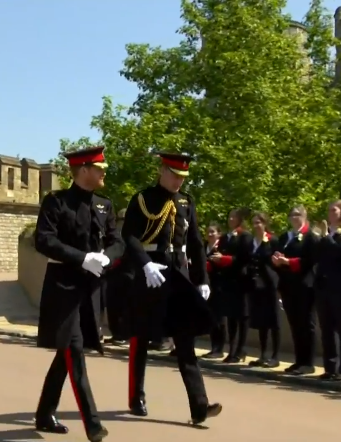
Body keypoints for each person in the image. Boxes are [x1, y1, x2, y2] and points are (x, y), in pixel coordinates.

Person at [121, 152, 222, 425]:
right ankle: (136, 396)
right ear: (162, 171)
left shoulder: (187, 201)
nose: (179, 181)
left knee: (185, 340)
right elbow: (129, 235)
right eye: (175, 174)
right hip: (152, 273)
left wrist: (201, 280)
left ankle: (199, 406)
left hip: (179, 276)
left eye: (183, 177)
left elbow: (196, 243)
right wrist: (144, 264)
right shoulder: (143, 199)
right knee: (141, 336)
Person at [33, 146, 123, 442]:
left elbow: (116, 241)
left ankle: (45, 413)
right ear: (83, 170)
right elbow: (44, 240)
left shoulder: (103, 204)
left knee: (68, 353)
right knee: (74, 353)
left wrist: (106, 258)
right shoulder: (57, 202)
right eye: (98, 168)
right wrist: (82, 258)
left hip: (91, 289)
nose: (103, 173)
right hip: (64, 287)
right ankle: (93, 424)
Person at [314, 200, 341, 381]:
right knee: (326, 328)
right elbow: (317, 255)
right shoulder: (324, 232)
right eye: (329, 210)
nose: (331, 213)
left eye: (334, 210)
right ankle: (330, 367)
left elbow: (339, 253)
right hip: (323, 285)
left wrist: (326, 237)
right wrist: (320, 238)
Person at [273, 205, 317, 375]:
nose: (293, 217)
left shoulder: (310, 236)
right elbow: (278, 254)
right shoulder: (285, 237)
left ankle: (308, 362)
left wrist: (288, 262)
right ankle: (299, 361)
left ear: (304, 216)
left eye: (297, 214)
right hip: (288, 285)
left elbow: (309, 261)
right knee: (295, 324)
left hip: (305, 285)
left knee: (307, 324)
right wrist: (277, 261)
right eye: (291, 214)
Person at [207, 208, 252, 362]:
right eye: (230, 217)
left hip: (241, 280)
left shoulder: (245, 236)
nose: (231, 220)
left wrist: (226, 259)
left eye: (234, 217)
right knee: (231, 317)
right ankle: (232, 349)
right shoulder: (226, 237)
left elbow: (244, 258)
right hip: (227, 281)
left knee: (242, 316)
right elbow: (218, 252)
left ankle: (241, 349)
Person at [245, 212, 281, 368]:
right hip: (255, 286)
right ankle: (263, 354)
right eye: (254, 223)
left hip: (270, 285)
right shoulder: (252, 242)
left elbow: (277, 264)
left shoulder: (272, 240)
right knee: (261, 321)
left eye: (259, 222)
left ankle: (275, 356)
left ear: (265, 223)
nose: (256, 225)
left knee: (273, 320)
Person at [103, 208, 130, 346]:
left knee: (125, 306)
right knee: (112, 304)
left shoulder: (133, 234)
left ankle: (124, 335)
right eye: (120, 219)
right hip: (113, 273)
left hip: (128, 273)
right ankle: (116, 334)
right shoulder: (115, 234)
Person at [203, 223, 227, 358]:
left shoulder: (221, 246)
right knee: (212, 317)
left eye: (213, 232)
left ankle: (219, 348)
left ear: (219, 233)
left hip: (219, 286)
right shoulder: (204, 246)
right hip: (208, 286)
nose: (210, 234)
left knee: (220, 319)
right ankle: (213, 347)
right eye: (208, 232)